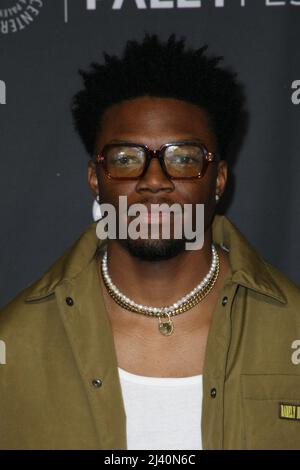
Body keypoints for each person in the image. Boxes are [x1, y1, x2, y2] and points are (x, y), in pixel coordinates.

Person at [1, 33, 300, 451]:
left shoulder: (292, 330)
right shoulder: (14, 344)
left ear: (219, 180)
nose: (155, 180)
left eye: (182, 158)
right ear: (95, 180)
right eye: (126, 159)